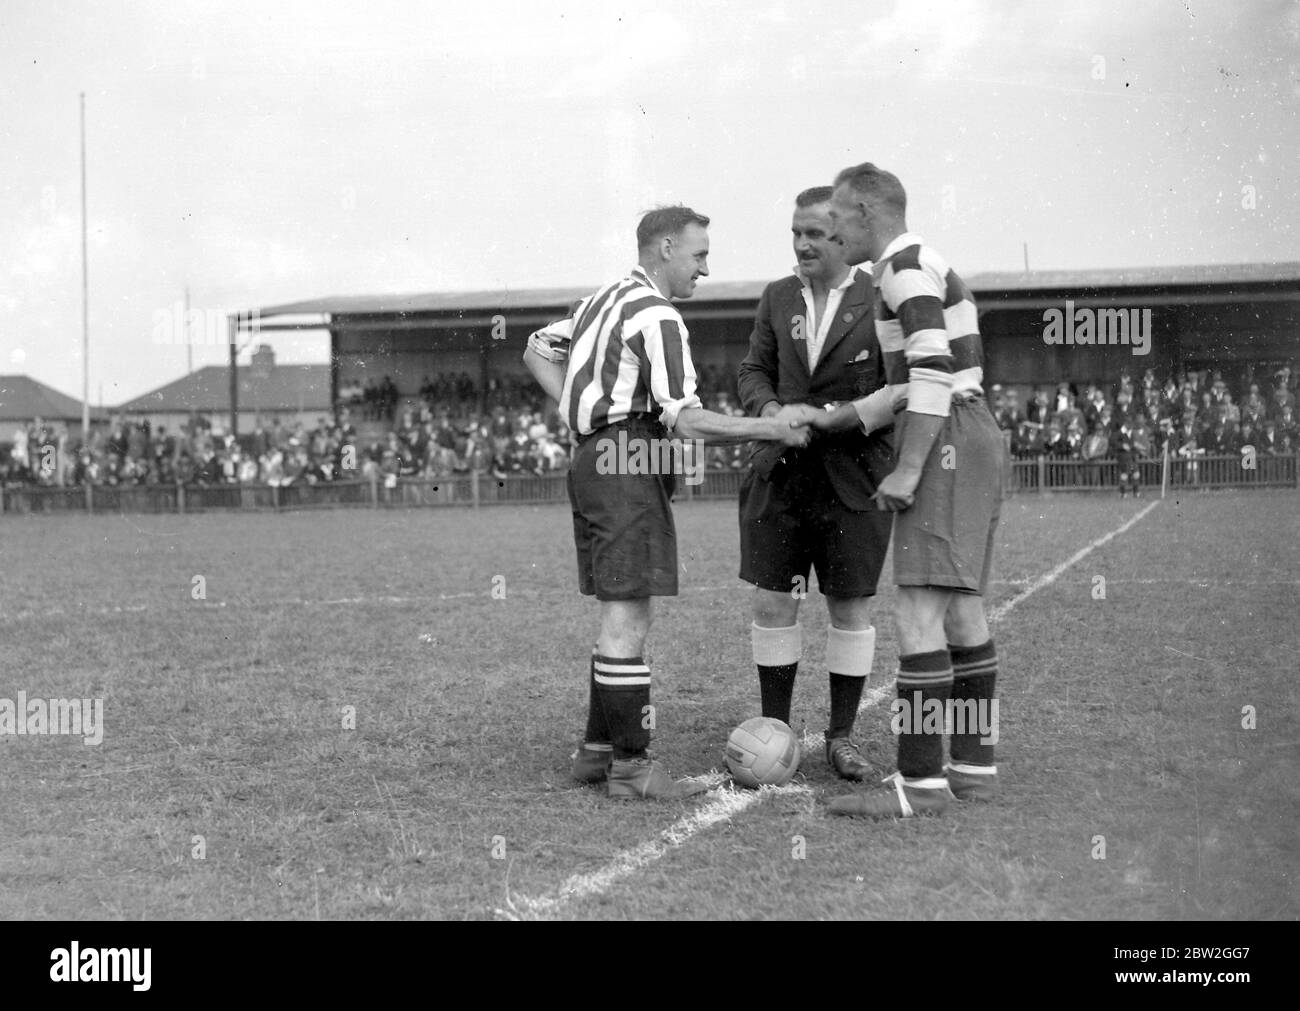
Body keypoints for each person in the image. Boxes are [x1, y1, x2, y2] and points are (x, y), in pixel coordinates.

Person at [522, 205, 811, 800]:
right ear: (667, 249)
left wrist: (585, 416)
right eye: (699, 255)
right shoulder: (657, 315)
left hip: (595, 458)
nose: (705, 268)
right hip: (629, 457)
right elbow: (691, 421)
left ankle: (597, 751)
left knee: (621, 607)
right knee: (629, 614)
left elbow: (535, 349)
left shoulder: (604, 298)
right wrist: (772, 427)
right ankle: (631, 768)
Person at [806, 163, 1005, 818]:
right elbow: (911, 381)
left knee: (916, 613)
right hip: (972, 430)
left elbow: (932, 373)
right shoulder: (920, 263)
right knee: (961, 609)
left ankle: (918, 785)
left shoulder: (899, 266)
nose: (831, 229)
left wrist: (909, 467)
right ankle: (973, 766)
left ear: (865, 210)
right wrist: (834, 418)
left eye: (836, 215)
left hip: (945, 435)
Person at [734, 186, 894, 781]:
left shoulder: (881, 295)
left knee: (849, 606)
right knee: (775, 601)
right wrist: (772, 409)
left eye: (816, 234)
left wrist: (836, 419)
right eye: (795, 233)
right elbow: (754, 368)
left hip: (854, 480)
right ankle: (775, 730)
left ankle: (843, 737)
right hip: (780, 476)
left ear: (845, 236)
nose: (802, 244)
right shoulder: (777, 296)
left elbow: (899, 385)